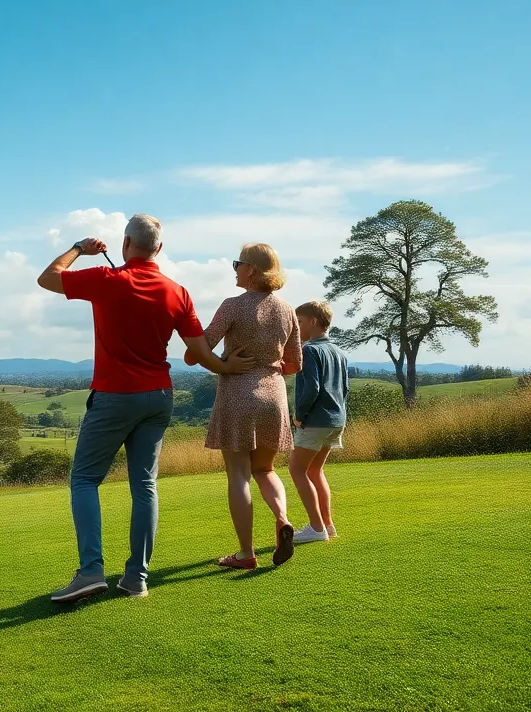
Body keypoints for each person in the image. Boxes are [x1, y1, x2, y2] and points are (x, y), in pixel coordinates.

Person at [38, 214, 254, 603]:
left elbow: (47, 278)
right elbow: (201, 351)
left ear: (125, 244)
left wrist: (79, 249)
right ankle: (136, 578)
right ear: (159, 248)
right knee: (145, 484)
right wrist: (226, 367)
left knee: (85, 479)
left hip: (114, 395)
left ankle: (90, 571)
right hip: (158, 397)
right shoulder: (177, 291)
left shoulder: (107, 280)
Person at [187, 243, 301, 570]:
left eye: (238, 263)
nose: (235, 268)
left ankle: (246, 553)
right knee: (265, 469)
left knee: (238, 475)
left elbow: (196, 353)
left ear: (251, 270)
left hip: (238, 394)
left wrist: (224, 361)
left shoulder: (232, 306)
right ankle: (282, 519)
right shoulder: (287, 310)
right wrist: (271, 365)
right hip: (274, 397)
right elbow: (294, 363)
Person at [289, 300, 349, 544]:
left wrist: (299, 415)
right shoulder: (340, 352)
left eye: (300, 322)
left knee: (297, 470)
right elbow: (345, 389)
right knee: (315, 470)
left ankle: (316, 528)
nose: (298, 327)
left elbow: (311, 388)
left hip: (315, 421)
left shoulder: (309, 350)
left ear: (313, 321)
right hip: (336, 420)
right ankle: (327, 524)